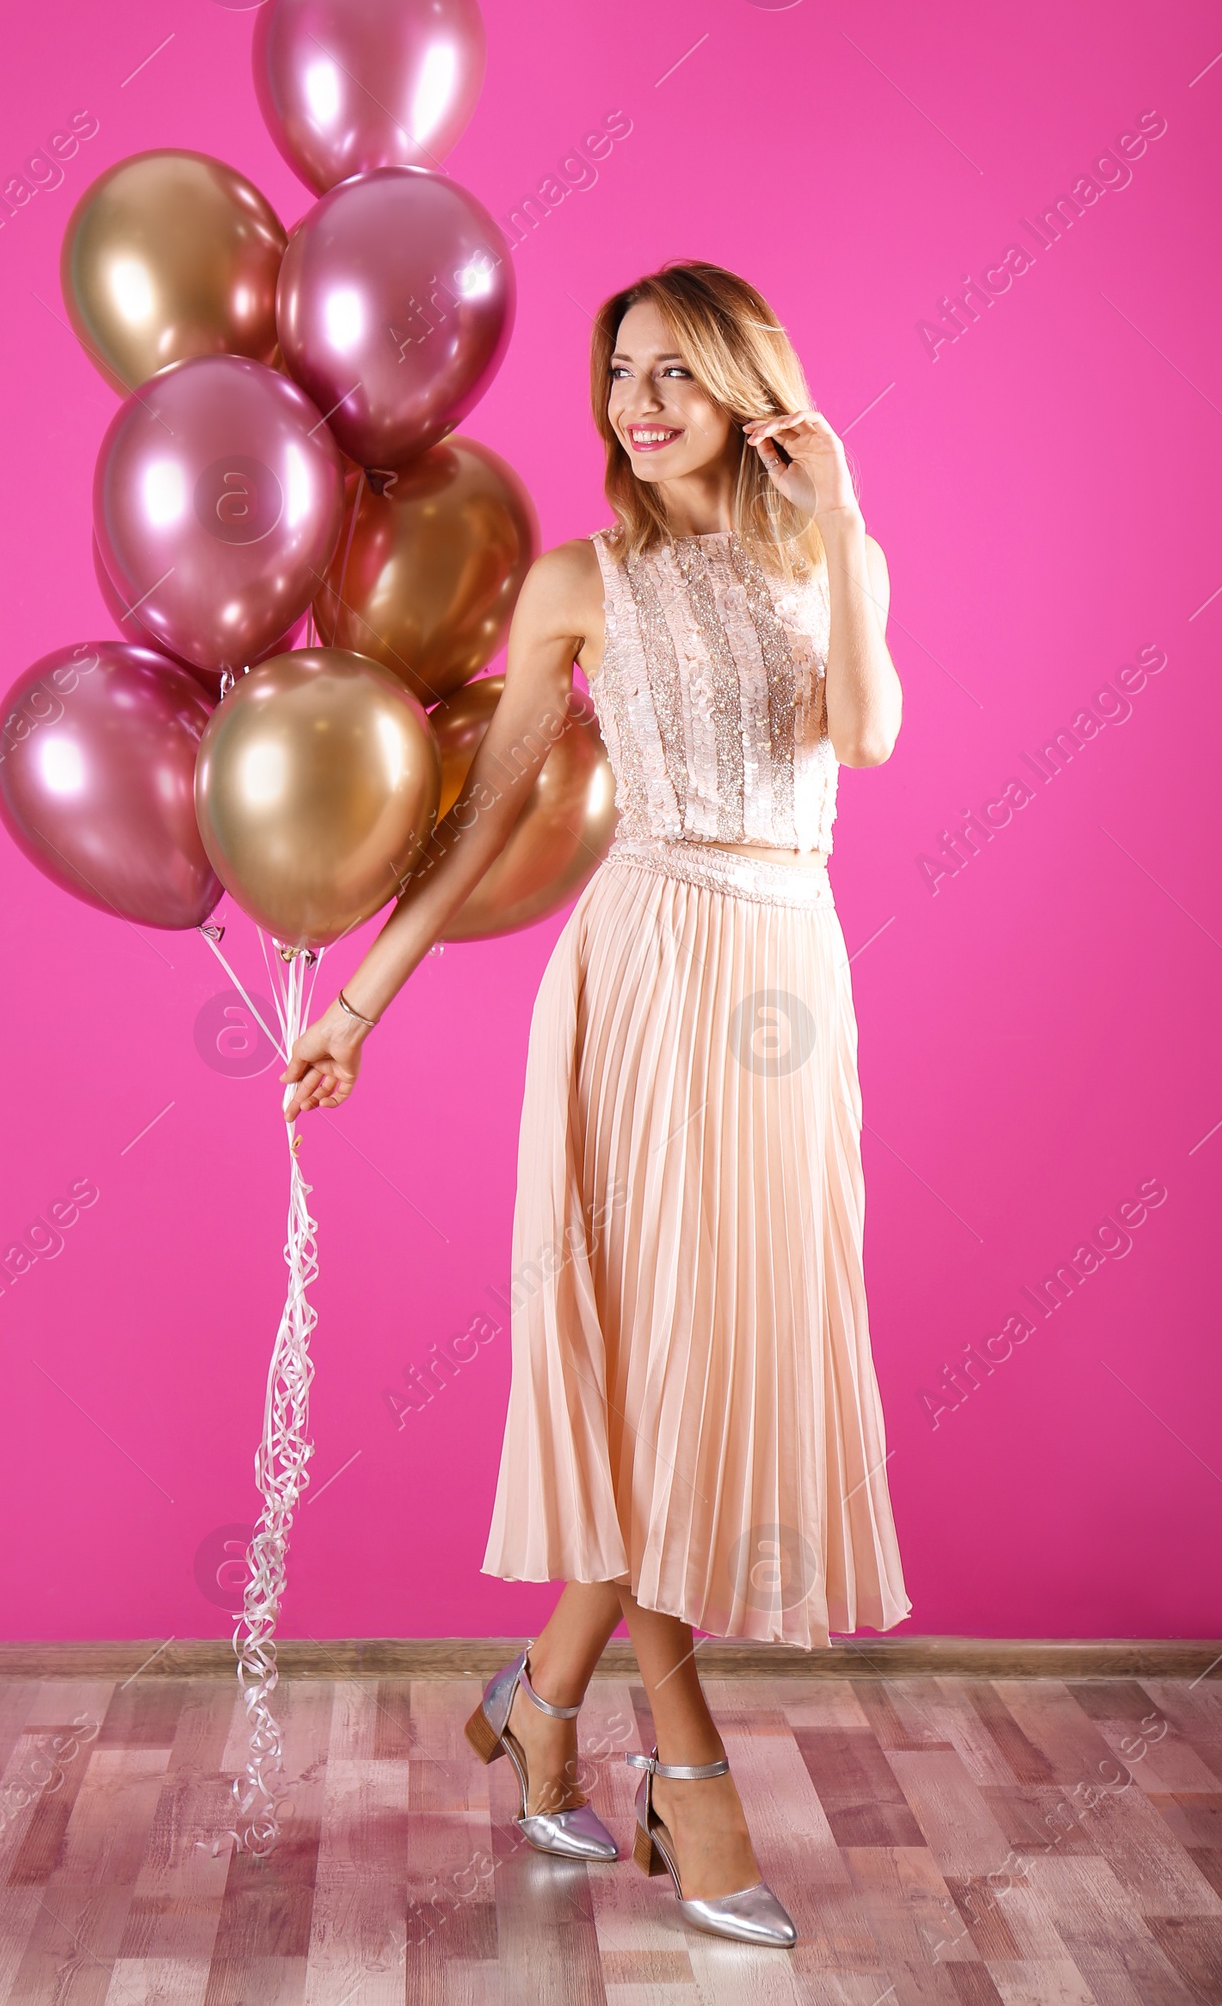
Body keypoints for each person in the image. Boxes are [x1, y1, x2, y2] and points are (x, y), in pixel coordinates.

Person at [284, 260, 910, 1948]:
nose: (638, 407)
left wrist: (840, 517)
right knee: (651, 1373)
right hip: (641, 972)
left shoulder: (821, 555)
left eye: (676, 378)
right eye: (622, 375)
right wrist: (357, 1001)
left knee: (726, 1362)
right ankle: (687, 1774)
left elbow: (869, 731)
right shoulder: (579, 581)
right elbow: (478, 829)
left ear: (748, 389)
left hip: (786, 968)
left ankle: (539, 1701)